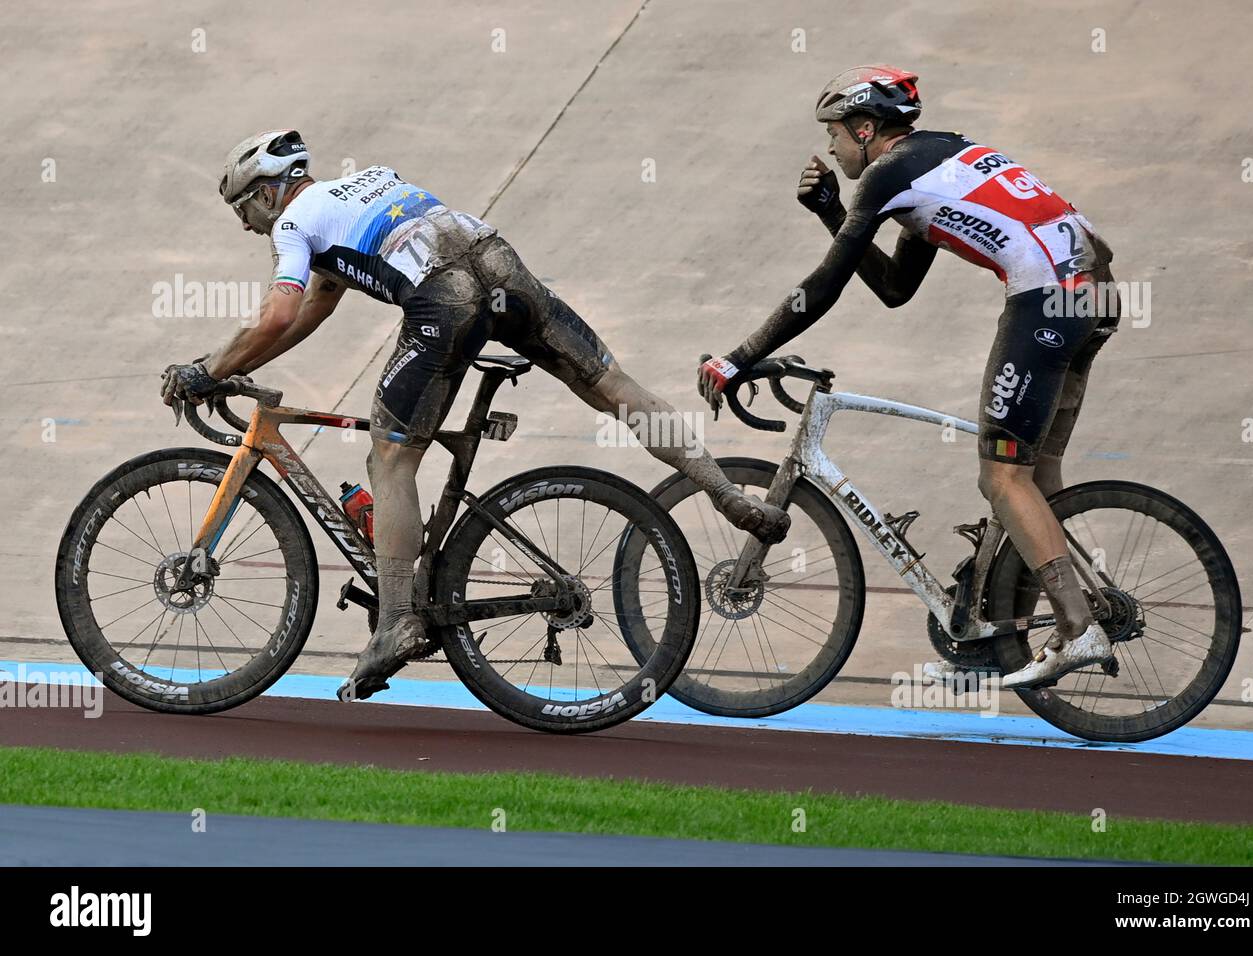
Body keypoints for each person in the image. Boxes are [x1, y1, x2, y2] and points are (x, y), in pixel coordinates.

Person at [161, 130, 788, 701]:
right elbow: (310, 312)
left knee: (391, 457)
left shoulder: (294, 224)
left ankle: (396, 620)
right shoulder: (363, 184)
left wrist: (204, 371)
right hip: (497, 261)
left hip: (445, 295)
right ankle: (726, 493)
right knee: (610, 383)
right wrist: (223, 364)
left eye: (242, 210)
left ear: (266, 193)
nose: (246, 226)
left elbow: (276, 313)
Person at [697, 67, 1121, 689]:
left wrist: (738, 356)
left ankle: (1078, 628)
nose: (831, 147)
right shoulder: (937, 159)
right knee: (1034, 478)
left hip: (1047, 300)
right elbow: (896, 287)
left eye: (834, 133)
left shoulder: (889, 174)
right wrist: (832, 211)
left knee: (1002, 477)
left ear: (865, 129)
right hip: (1094, 292)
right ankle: (1015, 638)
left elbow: (821, 288)